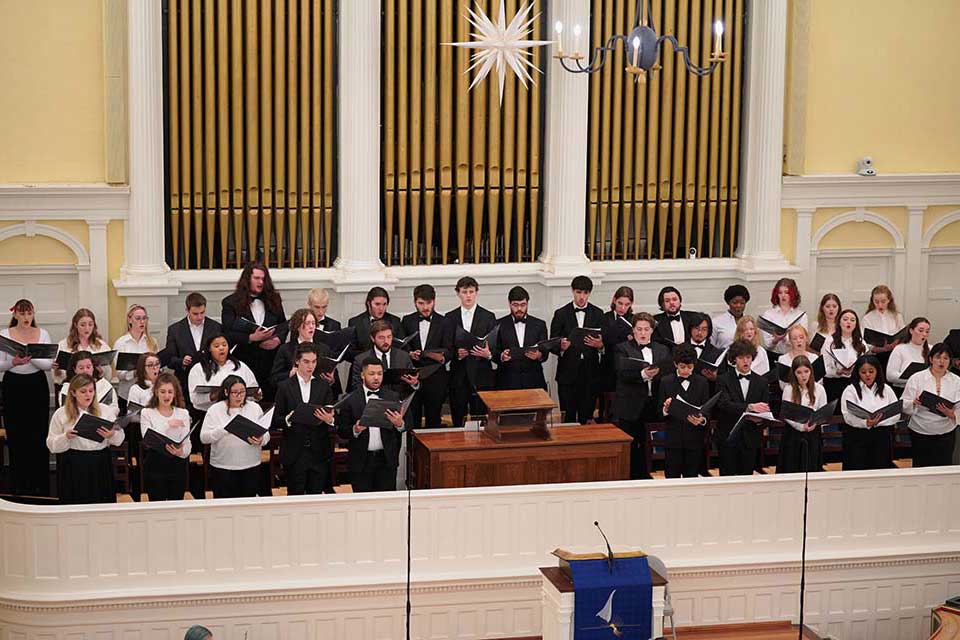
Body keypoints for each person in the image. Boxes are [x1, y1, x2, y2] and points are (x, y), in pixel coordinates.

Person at [0, 299, 55, 495]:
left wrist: (32, 358)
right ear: (14, 315)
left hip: (36, 386)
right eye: (22, 314)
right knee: (16, 434)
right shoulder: (5, 335)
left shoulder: (43, 334)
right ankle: (18, 483)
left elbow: (48, 365)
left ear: (33, 314)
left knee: (38, 433)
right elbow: (0, 365)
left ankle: (39, 484)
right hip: (13, 386)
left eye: (29, 313)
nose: (26, 317)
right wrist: (13, 362)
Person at [46, 374, 123, 504]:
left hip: (100, 463)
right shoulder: (61, 413)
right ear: (73, 393)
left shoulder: (105, 411)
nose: (88, 395)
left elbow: (120, 438)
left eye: (91, 391)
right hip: (74, 463)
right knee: (76, 502)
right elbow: (51, 445)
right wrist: (65, 437)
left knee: (100, 502)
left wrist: (111, 435)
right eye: (83, 391)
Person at [272, 343, 337, 495]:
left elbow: (333, 416)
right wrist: (289, 418)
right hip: (295, 452)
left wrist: (330, 419)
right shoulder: (285, 387)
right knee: (295, 497)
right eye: (306, 362)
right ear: (297, 361)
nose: (310, 366)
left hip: (318, 451)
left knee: (316, 497)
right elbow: (276, 419)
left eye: (314, 362)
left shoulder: (323, 386)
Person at [614, 313, 670, 480]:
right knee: (634, 445)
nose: (643, 333)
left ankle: (654, 474)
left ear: (652, 330)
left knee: (653, 442)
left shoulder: (662, 349)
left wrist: (658, 373)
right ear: (633, 330)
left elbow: (668, 372)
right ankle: (634, 478)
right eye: (639, 329)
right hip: (631, 405)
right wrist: (643, 375)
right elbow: (621, 372)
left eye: (646, 329)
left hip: (655, 404)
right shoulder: (622, 348)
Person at [336, 356, 405, 492]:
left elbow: (407, 424)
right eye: (371, 374)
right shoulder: (350, 400)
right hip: (361, 462)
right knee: (363, 504)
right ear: (362, 375)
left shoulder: (393, 397)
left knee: (386, 503)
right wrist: (355, 429)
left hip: (386, 461)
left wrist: (399, 424)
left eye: (379, 374)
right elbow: (342, 430)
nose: (376, 378)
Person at [221, 261, 287, 401]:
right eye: (257, 278)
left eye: (263, 278)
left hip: (271, 360)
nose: (261, 282)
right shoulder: (230, 303)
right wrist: (251, 337)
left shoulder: (274, 299)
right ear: (247, 279)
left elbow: (283, 325)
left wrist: (277, 340)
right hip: (245, 359)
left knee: (271, 399)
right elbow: (227, 333)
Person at [200, 375, 269, 498]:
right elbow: (204, 437)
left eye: (242, 392)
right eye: (235, 393)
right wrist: (224, 429)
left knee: (247, 505)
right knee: (225, 507)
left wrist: (261, 439)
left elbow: (266, 433)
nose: (239, 396)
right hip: (223, 467)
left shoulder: (254, 407)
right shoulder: (215, 410)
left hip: (250, 464)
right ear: (226, 392)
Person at [550, 275, 604, 424]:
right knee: (568, 415)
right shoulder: (560, 314)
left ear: (590, 293)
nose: (582, 297)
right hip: (567, 373)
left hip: (590, 373)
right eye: (579, 292)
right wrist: (560, 346)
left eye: (585, 293)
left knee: (586, 416)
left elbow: (603, 343)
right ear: (572, 291)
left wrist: (600, 346)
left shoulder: (598, 313)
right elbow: (552, 342)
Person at [445, 276, 496, 428]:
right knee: (457, 419)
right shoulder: (450, 317)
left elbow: (494, 344)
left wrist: (488, 354)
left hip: (481, 375)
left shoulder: (488, 316)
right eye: (464, 292)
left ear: (476, 292)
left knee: (480, 420)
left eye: (471, 291)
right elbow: (447, 346)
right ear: (458, 293)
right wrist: (456, 353)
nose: (468, 295)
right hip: (458, 377)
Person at [716, 339, 771, 476]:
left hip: (750, 439)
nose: (745, 361)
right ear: (734, 359)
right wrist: (750, 407)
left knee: (747, 480)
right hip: (728, 437)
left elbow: (765, 409)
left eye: (748, 357)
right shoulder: (723, 379)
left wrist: (760, 420)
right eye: (741, 358)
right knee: (727, 480)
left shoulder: (762, 382)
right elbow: (724, 404)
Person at [400, 284, 452, 429]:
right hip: (412, 377)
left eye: (428, 303)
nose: (425, 307)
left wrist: (431, 354)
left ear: (434, 301)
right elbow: (403, 346)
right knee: (412, 419)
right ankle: (412, 451)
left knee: (434, 420)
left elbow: (448, 351)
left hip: (436, 378)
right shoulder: (407, 320)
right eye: (421, 303)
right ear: (415, 302)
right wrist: (410, 353)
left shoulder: (445, 322)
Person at [901, 343, 959, 467]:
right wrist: (913, 403)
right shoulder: (917, 378)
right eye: (938, 357)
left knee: (944, 469)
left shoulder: (956, 381)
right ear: (931, 359)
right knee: (922, 469)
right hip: (920, 431)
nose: (941, 361)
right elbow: (903, 403)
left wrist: (952, 414)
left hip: (946, 432)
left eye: (946, 358)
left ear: (950, 361)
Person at [658, 344, 710, 478]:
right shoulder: (665, 382)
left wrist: (702, 420)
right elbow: (658, 412)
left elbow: (707, 411)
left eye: (690, 367)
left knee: (691, 479)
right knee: (672, 479)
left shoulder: (702, 382)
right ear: (675, 364)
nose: (686, 370)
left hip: (694, 441)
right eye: (682, 367)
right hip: (673, 441)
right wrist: (666, 409)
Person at [840, 355, 899, 471]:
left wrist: (879, 421)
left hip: (881, 436)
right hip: (857, 437)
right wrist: (865, 422)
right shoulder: (850, 390)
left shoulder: (886, 389)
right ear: (858, 373)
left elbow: (896, 413)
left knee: (880, 471)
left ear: (877, 371)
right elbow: (847, 415)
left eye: (871, 371)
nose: (867, 375)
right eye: (863, 372)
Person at [140, 373, 192, 501]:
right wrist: (167, 424)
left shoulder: (183, 413)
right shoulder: (147, 413)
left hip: (177, 464)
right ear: (156, 392)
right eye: (162, 391)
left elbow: (188, 443)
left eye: (170, 392)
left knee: (176, 505)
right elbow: (148, 439)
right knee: (157, 506)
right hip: (155, 464)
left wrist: (182, 452)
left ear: (175, 393)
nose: (166, 396)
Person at [162, 292, 222, 399]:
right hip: (184, 381)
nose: (199, 317)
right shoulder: (175, 330)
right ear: (187, 310)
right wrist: (182, 361)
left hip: (211, 380)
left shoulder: (216, 327)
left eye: (202, 312)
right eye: (195, 313)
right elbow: (169, 359)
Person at [777, 355, 827, 474]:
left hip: (813, 434)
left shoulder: (819, 389)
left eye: (806, 371)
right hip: (793, 435)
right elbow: (787, 414)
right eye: (799, 372)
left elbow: (823, 411)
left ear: (811, 371)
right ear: (794, 374)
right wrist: (801, 426)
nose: (803, 375)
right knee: (792, 468)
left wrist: (815, 422)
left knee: (811, 468)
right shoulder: (789, 389)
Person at [494, 286, 549, 391]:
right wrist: (502, 356)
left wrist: (539, 355)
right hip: (507, 382)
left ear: (527, 303)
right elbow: (493, 352)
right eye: (515, 305)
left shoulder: (539, 324)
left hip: (534, 381)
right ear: (509, 303)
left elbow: (545, 353)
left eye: (523, 305)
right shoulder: (498, 324)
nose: (519, 309)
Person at [188, 334, 259, 412]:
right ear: (209, 349)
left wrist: (256, 395)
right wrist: (214, 395)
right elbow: (194, 399)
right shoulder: (198, 369)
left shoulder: (240, 366)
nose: (221, 348)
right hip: (211, 413)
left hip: (240, 411)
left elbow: (253, 388)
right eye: (216, 346)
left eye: (224, 345)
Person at [270, 308, 336, 390]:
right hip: (293, 393)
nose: (311, 326)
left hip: (318, 394)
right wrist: (290, 374)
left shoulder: (324, 349)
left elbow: (332, 379)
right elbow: (274, 379)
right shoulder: (286, 349)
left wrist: (331, 380)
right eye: (307, 323)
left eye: (313, 323)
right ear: (298, 326)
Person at [349, 320, 419, 396]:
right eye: (381, 338)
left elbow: (413, 384)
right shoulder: (360, 360)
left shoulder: (403, 356)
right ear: (373, 338)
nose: (386, 341)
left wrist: (414, 383)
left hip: (399, 403)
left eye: (389, 337)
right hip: (372, 404)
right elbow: (356, 388)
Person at [599, 287, 635, 419]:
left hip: (625, 364)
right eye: (620, 303)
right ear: (614, 300)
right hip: (608, 364)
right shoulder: (604, 318)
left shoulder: (633, 320)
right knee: (606, 400)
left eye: (627, 304)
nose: (622, 308)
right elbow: (603, 338)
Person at [113, 304, 159, 402]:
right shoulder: (121, 343)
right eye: (138, 318)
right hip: (127, 393)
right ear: (129, 320)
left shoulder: (152, 342)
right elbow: (120, 374)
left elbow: (158, 367)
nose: (142, 322)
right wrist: (136, 372)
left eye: (144, 318)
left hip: (148, 393)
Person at [54, 308, 112, 386]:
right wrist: (57, 370)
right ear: (75, 325)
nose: (87, 328)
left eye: (90, 324)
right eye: (82, 325)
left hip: (96, 387)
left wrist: (101, 372)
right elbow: (58, 378)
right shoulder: (64, 345)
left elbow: (108, 376)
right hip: (71, 386)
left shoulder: (101, 345)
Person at [821, 309, 868, 402]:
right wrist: (837, 372)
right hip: (834, 383)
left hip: (855, 383)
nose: (849, 322)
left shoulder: (861, 342)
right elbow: (823, 367)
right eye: (845, 319)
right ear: (839, 322)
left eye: (852, 320)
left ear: (856, 324)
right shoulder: (830, 341)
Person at [307, 288, 344, 396]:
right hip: (307, 373)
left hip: (329, 375)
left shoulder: (335, 325)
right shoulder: (300, 325)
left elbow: (338, 352)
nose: (321, 312)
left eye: (324, 307)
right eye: (317, 307)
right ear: (309, 305)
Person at [347, 286, 403, 357]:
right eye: (377, 304)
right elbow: (350, 352)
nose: (381, 308)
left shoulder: (395, 321)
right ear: (368, 303)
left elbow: (402, 347)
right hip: (363, 365)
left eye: (384, 304)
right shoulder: (355, 322)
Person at [760, 277, 806, 355]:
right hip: (774, 355)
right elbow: (767, 345)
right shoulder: (768, 315)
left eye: (787, 292)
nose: (783, 295)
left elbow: (804, 340)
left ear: (793, 294)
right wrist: (775, 340)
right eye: (780, 293)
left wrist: (785, 338)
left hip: (795, 355)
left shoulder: (801, 315)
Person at [886, 317, 930, 392]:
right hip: (903, 389)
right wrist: (913, 379)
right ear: (911, 331)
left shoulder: (930, 349)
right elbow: (890, 376)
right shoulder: (900, 349)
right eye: (921, 330)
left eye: (927, 331)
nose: (924, 334)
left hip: (924, 390)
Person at [862, 285, 905, 360]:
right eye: (876, 302)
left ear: (889, 300)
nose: (880, 305)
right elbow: (865, 344)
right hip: (876, 356)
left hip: (896, 352)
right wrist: (883, 349)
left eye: (883, 301)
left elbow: (903, 334)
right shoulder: (867, 318)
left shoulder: (897, 316)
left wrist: (896, 342)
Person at [776, 325, 822, 391]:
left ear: (806, 338)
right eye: (794, 338)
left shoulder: (814, 358)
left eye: (801, 337)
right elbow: (782, 385)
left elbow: (819, 381)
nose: (798, 341)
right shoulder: (783, 359)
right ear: (790, 341)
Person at [711, 285, 750, 349]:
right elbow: (711, 346)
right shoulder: (716, 322)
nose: (738, 306)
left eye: (742, 303)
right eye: (734, 303)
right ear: (728, 302)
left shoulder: (749, 322)